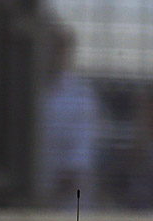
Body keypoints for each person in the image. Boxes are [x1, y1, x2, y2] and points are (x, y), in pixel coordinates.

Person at [35, 24, 100, 207]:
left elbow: (77, 164)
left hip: (65, 209)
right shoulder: (28, 92)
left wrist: (43, 201)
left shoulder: (80, 97)